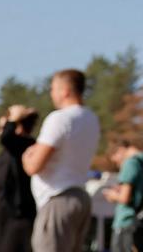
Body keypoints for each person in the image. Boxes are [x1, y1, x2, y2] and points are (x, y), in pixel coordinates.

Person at [22, 70, 100, 252]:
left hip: (58, 197)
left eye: (53, 89)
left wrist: (27, 156)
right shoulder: (91, 119)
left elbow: (34, 166)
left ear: (65, 90)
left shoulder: (60, 118)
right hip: (81, 196)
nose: (51, 94)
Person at [0, 105, 40, 252]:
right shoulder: (5, 154)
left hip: (16, 222)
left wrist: (14, 117)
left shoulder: (26, 146)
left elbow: (6, 138)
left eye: (4, 127)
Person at [103, 142, 143, 252]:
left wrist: (112, 195)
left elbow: (125, 198)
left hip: (127, 222)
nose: (117, 164)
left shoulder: (130, 163)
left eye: (115, 160)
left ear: (120, 150)